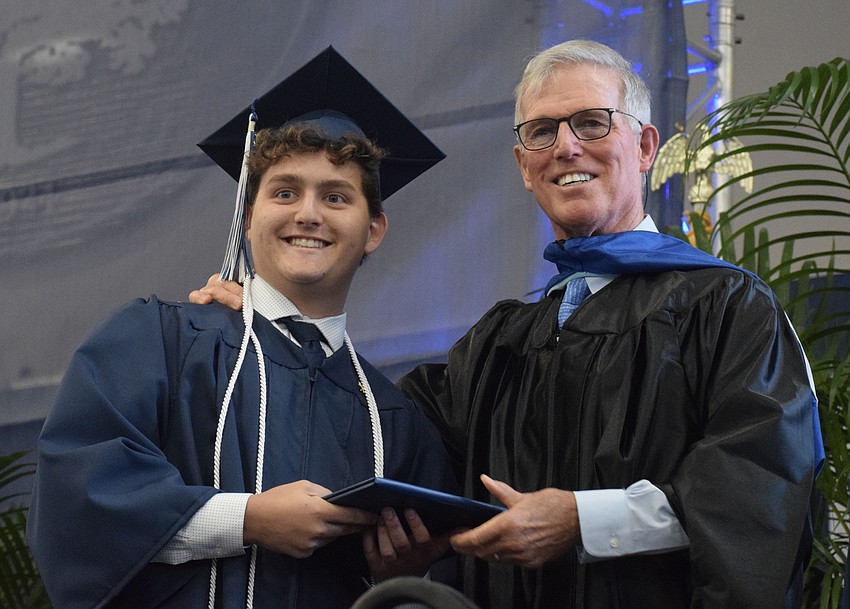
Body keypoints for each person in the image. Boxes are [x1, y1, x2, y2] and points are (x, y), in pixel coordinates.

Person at [192, 40, 823, 609]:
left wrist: (581, 519)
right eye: (542, 131)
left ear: (645, 146)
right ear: (524, 165)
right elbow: (382, 432)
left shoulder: (725, 306)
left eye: (591, 122)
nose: (566, 146)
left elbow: (759, 495)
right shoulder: (502, 343)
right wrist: (272, 325)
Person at [26, 47, 457, 609]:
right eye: (284, 192)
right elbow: (75, 501)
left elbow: (446, 581)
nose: (308, 213)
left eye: (335, 196)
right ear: (248, 216)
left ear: (373, 228)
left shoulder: (395, 424)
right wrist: (248, 519)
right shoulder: (159, 344)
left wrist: (396, 574)